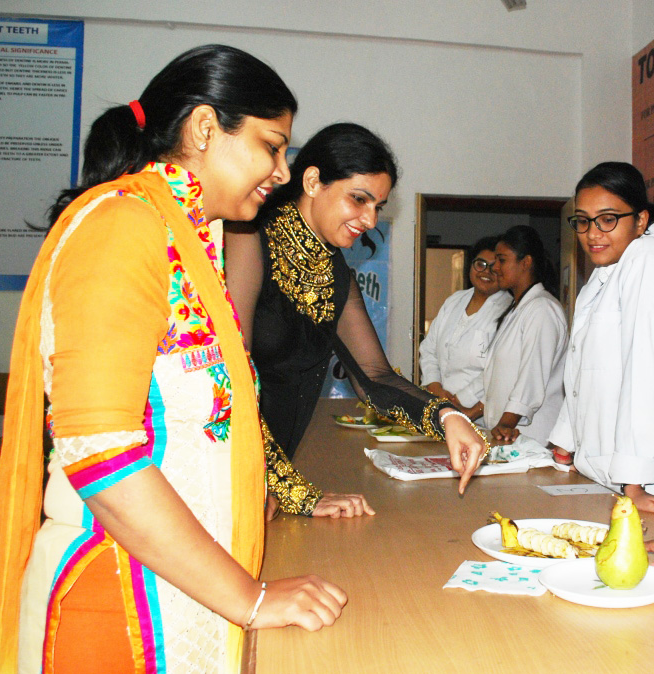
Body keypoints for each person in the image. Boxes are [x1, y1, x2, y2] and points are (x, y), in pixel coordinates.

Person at [0, 45, 347, 674]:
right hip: (118, 610)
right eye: (272, 146)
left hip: (185, 592)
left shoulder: (189, 236)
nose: (284, 171)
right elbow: (101, 453)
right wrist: (252, 598)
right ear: (205, 128)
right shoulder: (121, 225)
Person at [224, 122, 488, 493]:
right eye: (359, 199)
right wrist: (293, 492)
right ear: (313, 181)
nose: (371, 220)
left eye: (377, 207)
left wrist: (448, 417)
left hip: (267, 485)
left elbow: (375, 378)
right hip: (228, 472)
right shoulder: (246, 237)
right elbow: (231, 380)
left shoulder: (336, 275)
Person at [548, 162, 654, 515]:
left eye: (607, 219)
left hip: (651, 482)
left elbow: (644, 375)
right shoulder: (605, 275)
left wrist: (634, 485)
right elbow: (582, 373)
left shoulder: (651, 258)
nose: (592, 233)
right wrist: (565, 444)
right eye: (583, 221)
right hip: (610, 475)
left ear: (640, 221)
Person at [481, 225, 567, 445]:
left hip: (528, 436)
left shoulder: (542, 309)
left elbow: (531, 376)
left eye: (501, 260)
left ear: (526, 262)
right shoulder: (516, 309)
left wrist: (506, 424)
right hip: (506, 434)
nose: (495, 268)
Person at [419, 236, 512, 420]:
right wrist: (435, 386)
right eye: (480, 264)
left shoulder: (509, 310)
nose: (486, 272)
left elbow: (500, 370)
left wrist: (459, 399)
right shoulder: (454, 300)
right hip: (439, 405)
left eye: (494, 267)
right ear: (471, 265)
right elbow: (429, 349)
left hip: (478, 413)